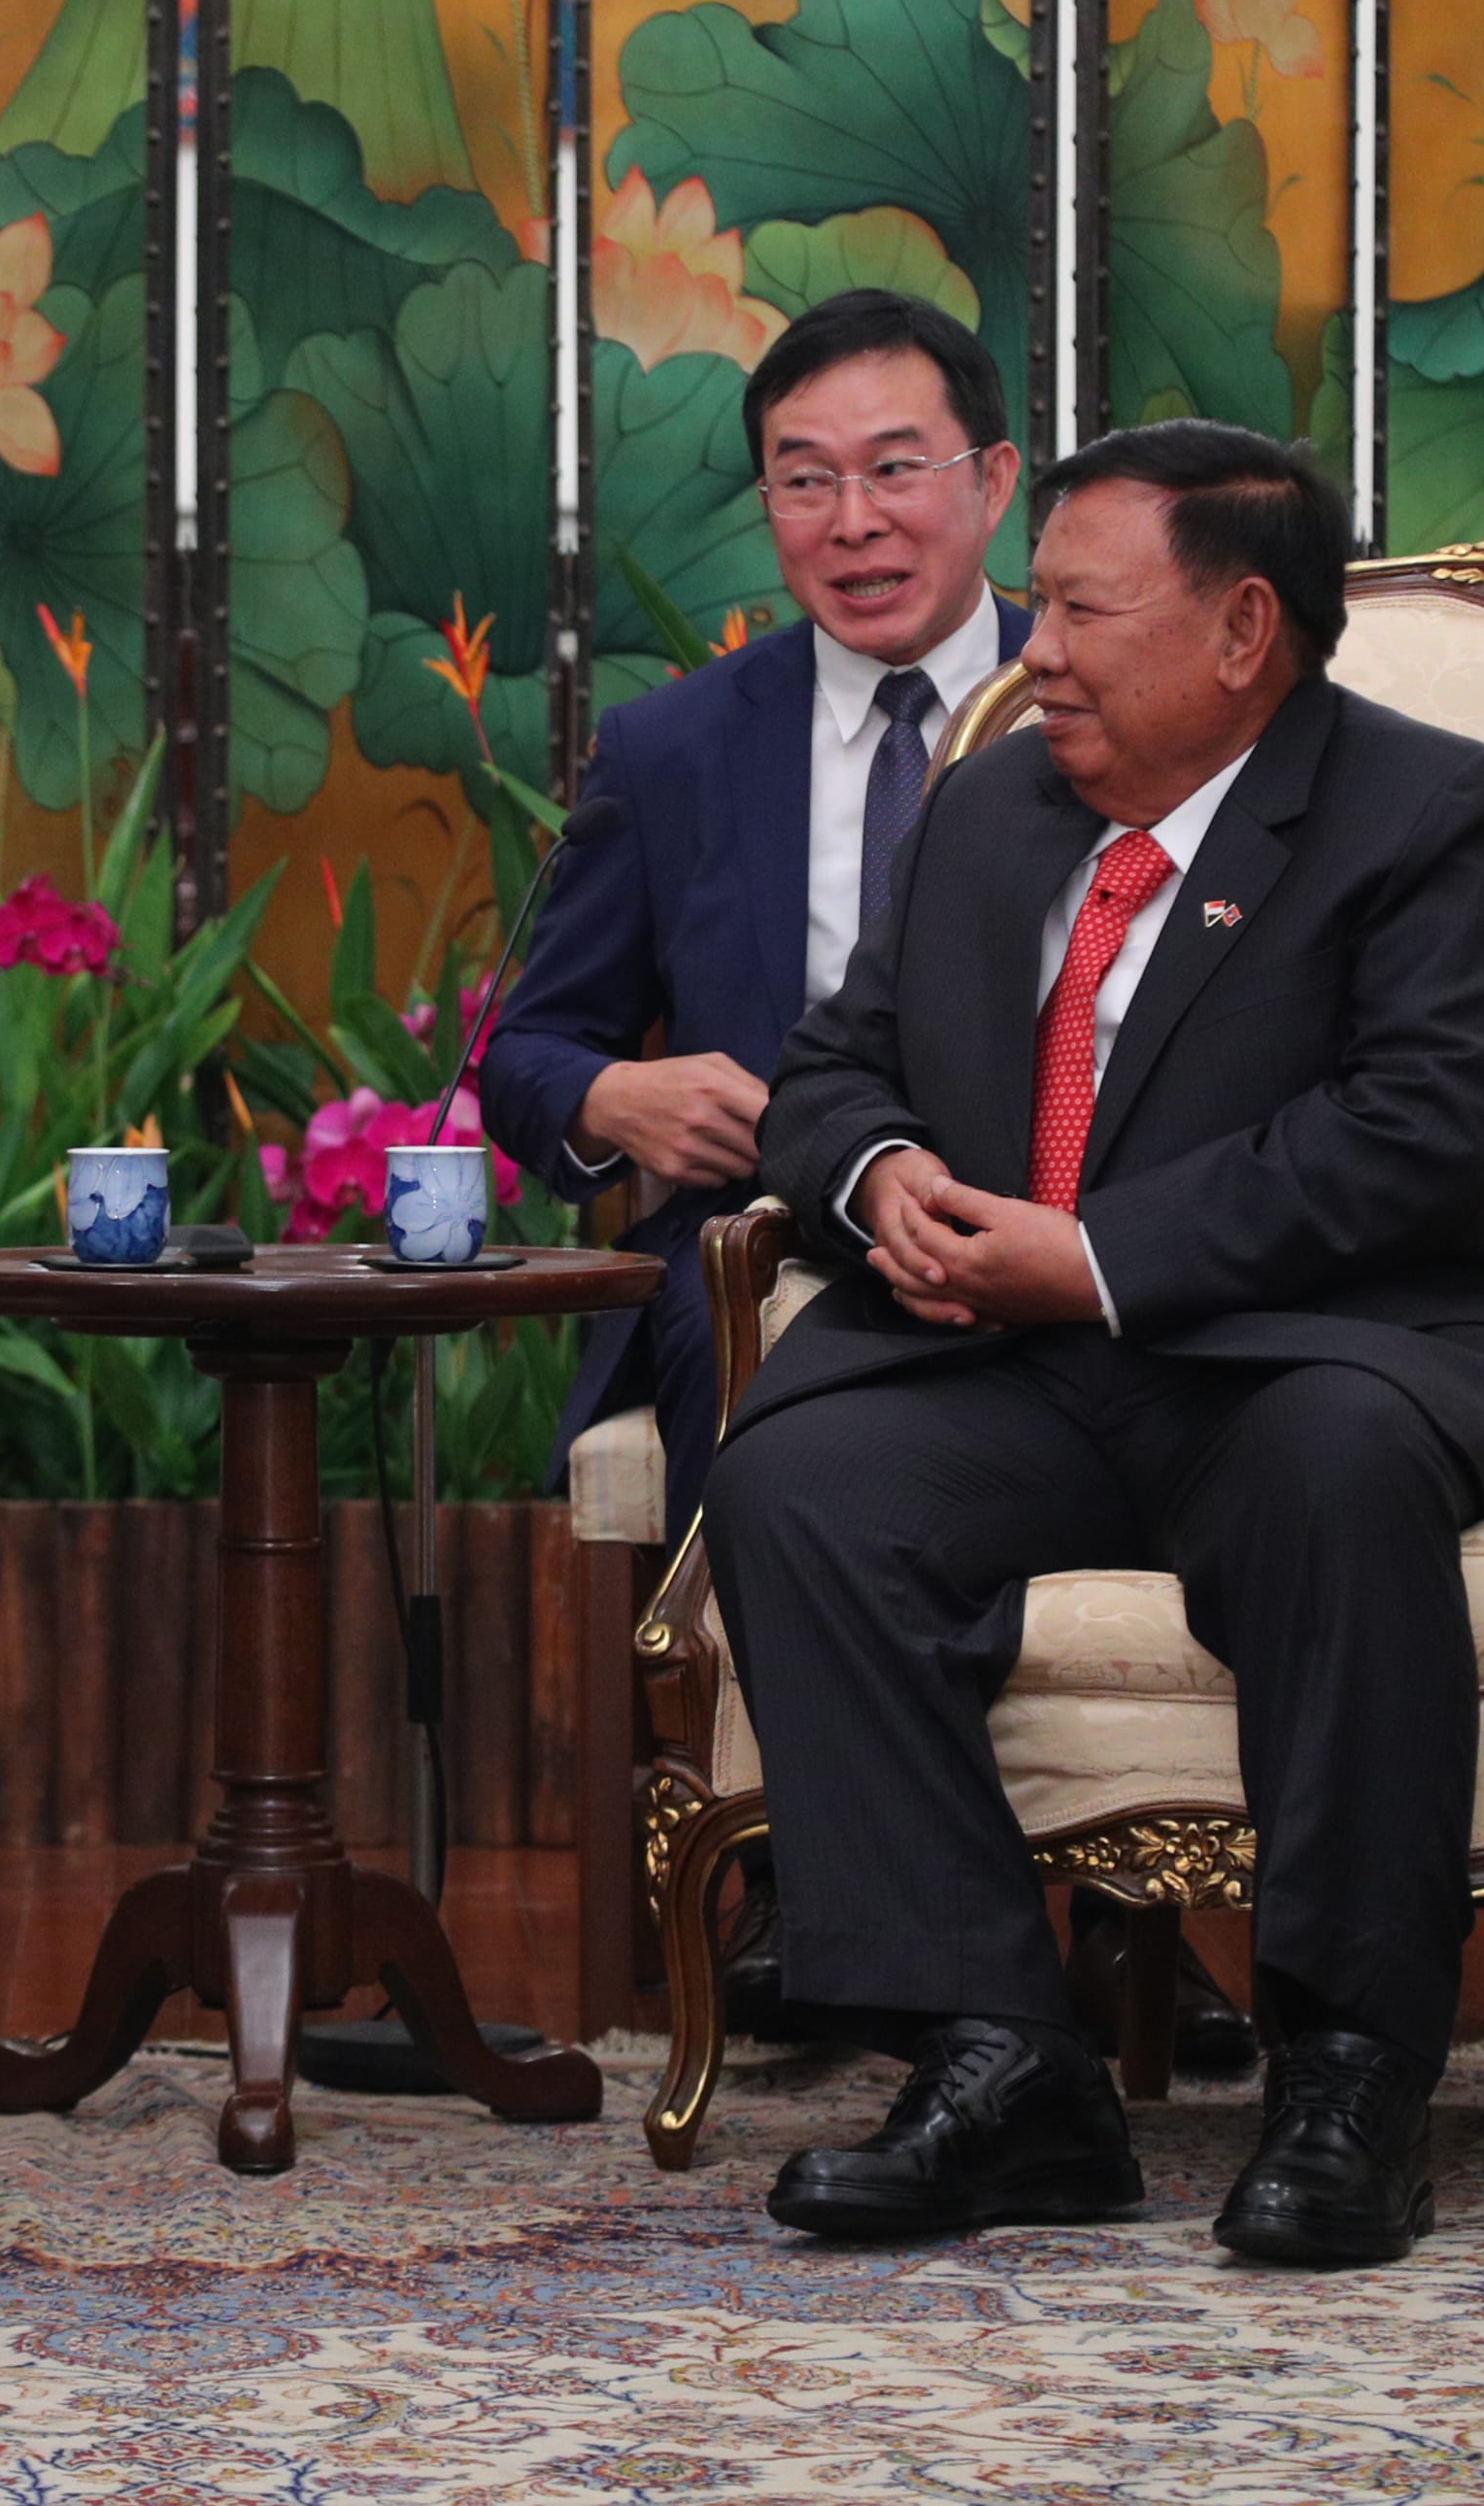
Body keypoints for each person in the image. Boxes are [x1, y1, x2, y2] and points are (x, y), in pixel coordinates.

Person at [697, 420, 1484, 2268]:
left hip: (1308, 1347)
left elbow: (1425, 1132)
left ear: (1244, 627)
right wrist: (881, 1186)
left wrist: (1092, 1255)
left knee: (1330, 1470)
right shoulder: (993, 805)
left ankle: (1352, 2074)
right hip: (1026, 1366)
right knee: (796, 1474)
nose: (1033, 650)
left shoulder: (1425, 815)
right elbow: (835, 1067)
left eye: (1083, 611)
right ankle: (1003, 2062)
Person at [485, 288, 1251, 2073]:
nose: (854, 524)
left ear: (992, 484)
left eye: (896, 471)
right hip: (777, 1239)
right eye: (804, 482)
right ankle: (813, 1888)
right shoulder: (681, 749)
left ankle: (1136, 1897)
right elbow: (524, 1055)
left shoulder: (1133, 697)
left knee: (1150, 1371)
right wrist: (613, 1091)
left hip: (1079, 1227)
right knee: (747, 1360)